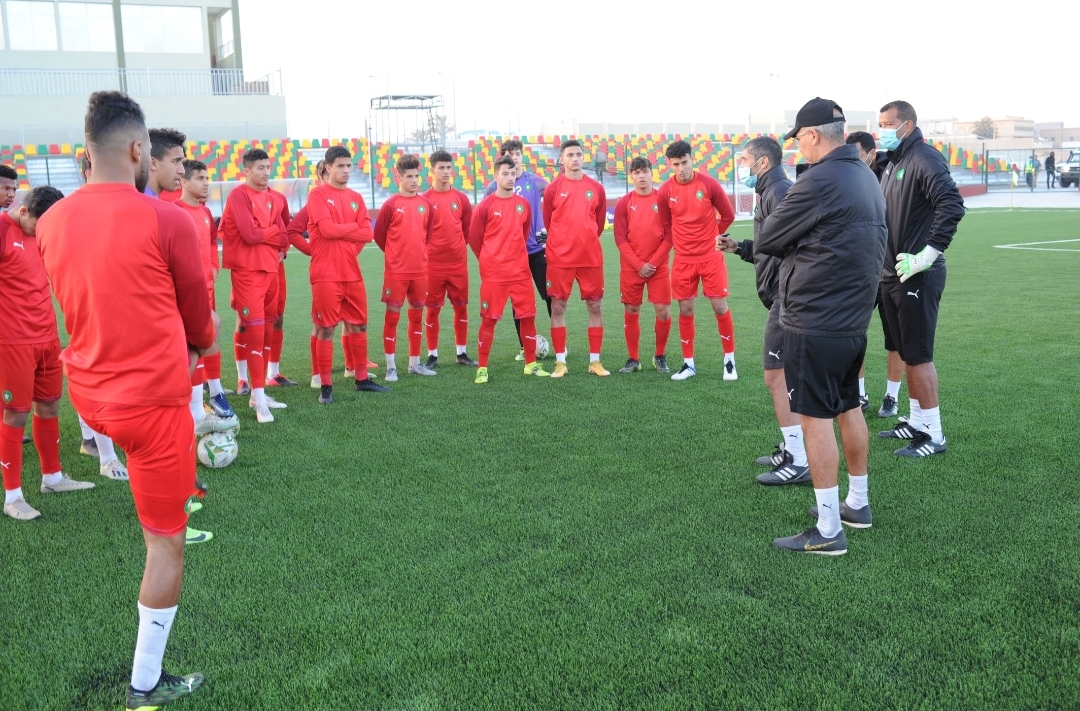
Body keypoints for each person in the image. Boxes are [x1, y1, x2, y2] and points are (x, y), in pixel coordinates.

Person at [38, 90, 213, 708]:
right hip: (153, 404)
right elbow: (200, 317)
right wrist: (195, 349)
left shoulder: (52, 218)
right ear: (139, 149)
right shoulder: (164, 217)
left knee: (156, 524)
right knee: (165, 541)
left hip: (93, 401)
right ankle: (145, 682)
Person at [758, 97, 887, 555]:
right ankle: (857, 503)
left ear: (812, 135)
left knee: (815, 419)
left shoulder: (820, 180)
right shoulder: (866, 177)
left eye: (800, 140)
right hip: (852, 319)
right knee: (848, 406)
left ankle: (829, 530)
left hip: (814, 319)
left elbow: (770, 238)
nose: (799, 150)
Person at [717, 137, 809, 486]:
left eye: (744, 160)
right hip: (782, 294)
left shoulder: (779, 191)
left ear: (763, 163)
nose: (741, 167)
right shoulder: (769, 191)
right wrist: (740, 247)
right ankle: (792, 448)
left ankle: (798, 459)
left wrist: (788, 291)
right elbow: (773, 248)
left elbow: (796, 248)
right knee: (782, 374)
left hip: (789, 296)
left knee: (776, 374)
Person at [1, 186, 97, 521]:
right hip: (12, 342)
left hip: (47, 335)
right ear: (24, 211)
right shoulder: (2, 231)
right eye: (39, 224)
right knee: (15, 414)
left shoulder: (45, 233)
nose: (44, 232)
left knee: (50, 404)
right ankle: (12, 496)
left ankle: (52, 477)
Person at [876, 100, 965, 457]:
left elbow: (952, 204)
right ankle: (916, 421)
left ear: (907, 125)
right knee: (904, 352)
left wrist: (927, 256)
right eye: (879, 123)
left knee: (919, 355)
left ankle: (934, 434)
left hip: (917, 273)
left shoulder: (924, 157)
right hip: (891, 274)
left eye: (887, 123)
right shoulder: (893, 162)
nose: (882, 129)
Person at [307, 145, 389, 403]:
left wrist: (345, 229)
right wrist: (353, 226)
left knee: (359, 324)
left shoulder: (356, 196)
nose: (345, 170)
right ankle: (326, 388)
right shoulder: (318, 195)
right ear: (328, 167)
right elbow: (328, 231)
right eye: (340, 166)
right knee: (327, 328)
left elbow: (368, 234)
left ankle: (362, 379)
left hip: (351, 272)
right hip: (325, 273)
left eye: (348, 165)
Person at [656, 140, 737, 381]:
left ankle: (730, 361)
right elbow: (667, 225)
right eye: (676, 164)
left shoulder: (709, 184)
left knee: (719, 306)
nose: (681, 168)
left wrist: (713, 236)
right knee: (685, 308)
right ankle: (688, 364)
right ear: (670, 165)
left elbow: (728, 215)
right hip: (683, 260)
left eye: (685, 162)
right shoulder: (665, 191)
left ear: (693, 160)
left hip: (711, 258)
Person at [219, 148, 289, 422]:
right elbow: (250, 235)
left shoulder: (273, 197)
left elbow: (284, 235)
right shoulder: (238, 195)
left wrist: (267, 234)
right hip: (248, 272)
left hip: (270, 269)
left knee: (267, 330)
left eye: (268, 167)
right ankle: (258, 400)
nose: (265, 172)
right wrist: (269, 233)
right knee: (256, 332)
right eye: (260, 167)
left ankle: (257, 394)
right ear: (246, 170)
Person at [468, 155, 551, 383]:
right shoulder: (485, 205)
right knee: (489, 319)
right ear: (495, 177)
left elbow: (524, 234)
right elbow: (475, 240)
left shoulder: (523, 205)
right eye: (504, 173)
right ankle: (482, 368)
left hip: (520, 272)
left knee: (528, 317)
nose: (509, 177)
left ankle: (531, 364)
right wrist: (488, 259)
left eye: (512, 173)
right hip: (494, 274)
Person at [175, 159, 238, 434]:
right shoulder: (174, 212)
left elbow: (212, 241)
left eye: (207, 178)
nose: (206, 183)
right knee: (191, 346)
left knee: (208, 337)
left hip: (206, 289)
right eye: (200, 178)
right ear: (184, 182)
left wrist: (213, 264)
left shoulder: (204, 212)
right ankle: (192, 406)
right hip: (185, 293)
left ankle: (214, 393)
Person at [846, 131, 905, 417]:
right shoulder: (846, 177)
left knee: (895, 338)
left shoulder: (892, 171)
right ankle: (859, 394)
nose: (852, 160)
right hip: (861, 271)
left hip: (892, 270)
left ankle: (891, 397)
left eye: (857, 154)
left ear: (871, 153)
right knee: (854, 333)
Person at [543, 139, 609, 377]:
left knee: (595, 305)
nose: (575, 159)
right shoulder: (552, 189)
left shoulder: (596, 188)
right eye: (570, 155)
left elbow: (598, 224)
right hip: (560, 258)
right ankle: (560, 362)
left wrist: (586, 239)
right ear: (561, 159)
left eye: (579, 154)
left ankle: (595, 362)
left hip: (590, 257)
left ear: (584, 157)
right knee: (558, 307)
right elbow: (550, 222)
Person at [484, 139, 551, 360]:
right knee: (517, 303)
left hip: (535, 250)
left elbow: (554, 200)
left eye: (517, 153)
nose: (514, 157)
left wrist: (548, 229)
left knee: (549, 295)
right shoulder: (493, 187)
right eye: (509, 153)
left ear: (522, 155)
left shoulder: (537, 182)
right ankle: (524, 347)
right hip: (510, 258)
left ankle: (560, 346)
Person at [373, 154, 435, 380]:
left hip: (420, 271)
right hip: (396, 272)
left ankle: (415, 363)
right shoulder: (390, 205)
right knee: (392, 318)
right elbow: (379, 237)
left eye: (417, 176)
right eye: (409, 176)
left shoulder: (426, 205)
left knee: (417, 316)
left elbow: (427, 235)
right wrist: (395, 256)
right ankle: (391, 366)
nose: (414, 180)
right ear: (398, 177)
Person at [612, 156, 672, 374]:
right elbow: (620, 238)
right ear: (632, 176)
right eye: (636, 172)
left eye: (644, 171)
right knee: (631, 308)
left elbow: (669, 235)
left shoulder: (663, 201)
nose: (641, 176)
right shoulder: (624, 203)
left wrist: (652, 263)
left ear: (652, 173)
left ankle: (659, 356)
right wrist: (639, 264)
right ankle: (633, 358)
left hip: (658, 267)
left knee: (663, 310)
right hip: (631, 267)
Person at [423, 150, 478, 369]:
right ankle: (432, 355)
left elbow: (467, 232)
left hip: (457, 265)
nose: (446, 172)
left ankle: (461, 353)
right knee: (433, 309)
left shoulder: (461, 199)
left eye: (448, 167)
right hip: (432, 265)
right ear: (432, 170)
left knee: (461, 307)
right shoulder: (424, 200)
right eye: (441, 168)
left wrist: (454, 249)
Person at [145, 128, 186, 198]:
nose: (182, 171)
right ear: (153, 164)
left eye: (182, 163)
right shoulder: (142, 204)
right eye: (176, 161)